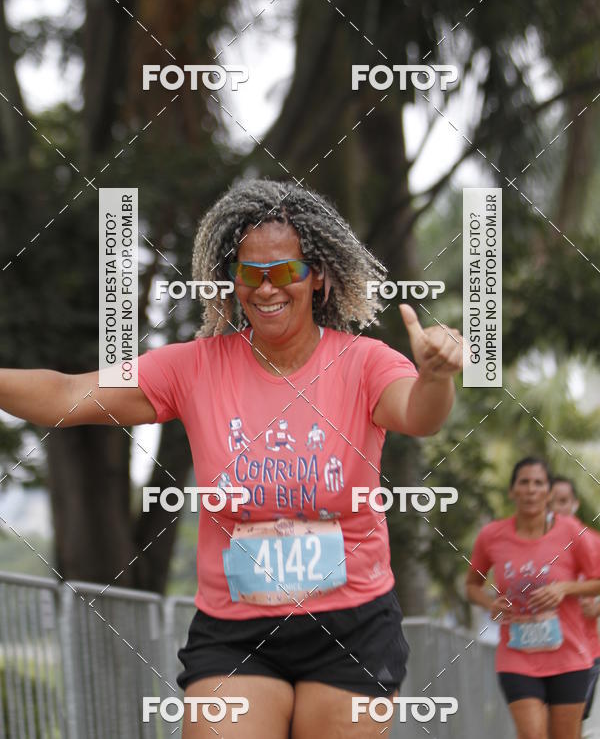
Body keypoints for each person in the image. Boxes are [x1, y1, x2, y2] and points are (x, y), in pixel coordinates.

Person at [0, 179, 464, 738]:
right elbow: (67, 396)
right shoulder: (194, 368)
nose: (268, 288)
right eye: (250, 273)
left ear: (317, 276)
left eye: (286, 271)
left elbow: (420, 414)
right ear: (231, 280)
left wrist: (436, 376)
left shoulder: (364, 363)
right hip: (237, 630)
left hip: (353, 626)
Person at [466, 457, 600, 739]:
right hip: (517, 657)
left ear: (549, 493)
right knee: (531, 734)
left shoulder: (572, 531)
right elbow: (472, 585)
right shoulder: (492, 536)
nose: (530, 490)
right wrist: (490, 603)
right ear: (512, 491)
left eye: (538, 483)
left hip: (569, 656)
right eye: (523, 482)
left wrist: (564, 589)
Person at [550, 476, 600, 738]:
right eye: (551, 503)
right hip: (539, 653)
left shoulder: (593, 541)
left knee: (571, 725)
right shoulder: (533, 545)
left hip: (584, 652)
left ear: (575, 504)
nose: (557, 508)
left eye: (563, 501)